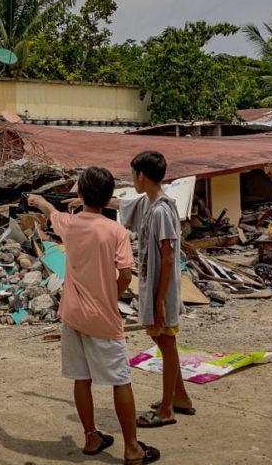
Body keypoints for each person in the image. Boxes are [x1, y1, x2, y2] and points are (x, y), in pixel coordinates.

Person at [27, 166, 160, 465]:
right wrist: (110, 296)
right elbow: (125, 275)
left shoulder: (69, 224)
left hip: (72, 315)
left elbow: (50, 212)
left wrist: (37, 201)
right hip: (103, 317)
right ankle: (131, 449)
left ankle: (91, 437)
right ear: (109, 195)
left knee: (81, 377)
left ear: (80, 194)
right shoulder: (115, 231)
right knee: (120, 380)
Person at [112, 151, 193, 429]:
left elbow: (168, 256)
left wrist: (160, 301)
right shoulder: (148, 203)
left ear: (141, 176)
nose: (132, 179)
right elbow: (122, 204)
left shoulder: (161, 210)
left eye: (132, 174)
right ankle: (180, 397)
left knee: (167, 343)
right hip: (154, 287)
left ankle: (168, 408)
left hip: (163, 290)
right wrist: (90, 199)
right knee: (162, 341)